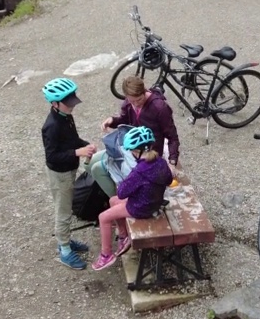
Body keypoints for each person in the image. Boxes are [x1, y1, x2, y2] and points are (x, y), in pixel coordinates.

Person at [93, 126, 173, 271]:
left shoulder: (139, 172)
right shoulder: (160, 162)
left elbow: (123, 192)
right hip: (153, 202)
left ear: (137, 151)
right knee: (112, 201)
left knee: (103, 217)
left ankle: (106, 255)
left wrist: (127, 180)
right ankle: (124, 236)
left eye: (131, 151)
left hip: (140, 208)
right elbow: (168, 180)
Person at [41, 77, 96, 269]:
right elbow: (53, 156)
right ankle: (64, 249)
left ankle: (66, 240)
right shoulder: (51, 126)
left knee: (67, 206)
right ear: (55, 104)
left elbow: (72, 139)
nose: (72, 106)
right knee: (63, 211)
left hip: (69, 169)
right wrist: (77, 152)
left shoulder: (65, 116)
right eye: (68, 103)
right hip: (60, 174)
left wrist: (84, 145)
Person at [91, 75, 179, 197]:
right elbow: (125, 120)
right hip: (131, 148)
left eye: (139, 99)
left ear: (145, 91)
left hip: (147, 154)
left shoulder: (160, 107)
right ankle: (107, 199)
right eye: (132, 101)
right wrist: (112, 120)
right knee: (93, 160)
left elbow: (172, 137)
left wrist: (172, 162)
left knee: (97, 168)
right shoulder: (128, 103)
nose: (136, 104)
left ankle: (118, 200)